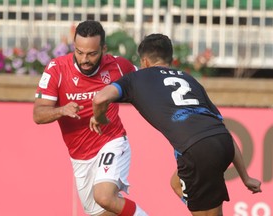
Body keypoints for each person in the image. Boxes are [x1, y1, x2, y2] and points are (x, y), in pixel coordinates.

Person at [89, 33, 262, 216]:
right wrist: (246, 177)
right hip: (223, 143)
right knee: (177, 183)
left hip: (197, 150)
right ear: (170, 59)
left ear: (145, 61)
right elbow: (221, 129)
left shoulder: (136, 78)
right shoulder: (189, 80)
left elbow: (100, 98)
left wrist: (99, 118)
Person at [33, 20, 147, 216]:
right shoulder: (57, 69)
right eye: (79, 52)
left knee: (104, 197)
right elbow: (38, 114)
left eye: (92, 54)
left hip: (112, 140)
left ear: (103, 48)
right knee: (106, 210)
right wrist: (61, 111)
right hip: (80, 156)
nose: (84, 59)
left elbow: (148, 82)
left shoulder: (118, 66)